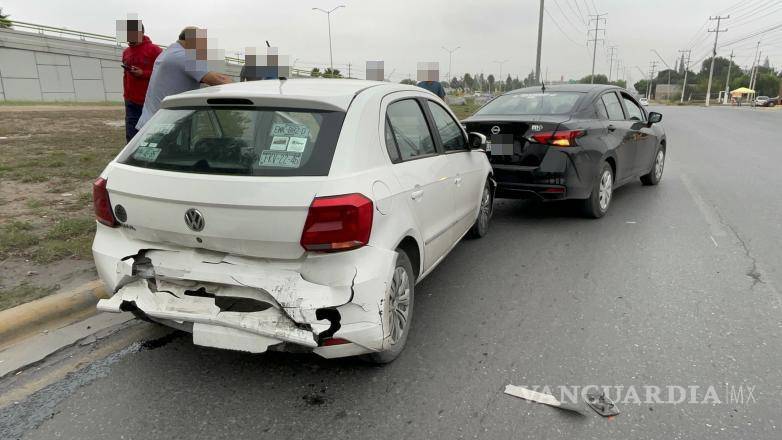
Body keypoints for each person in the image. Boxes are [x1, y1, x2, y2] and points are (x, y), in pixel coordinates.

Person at [136, 26, 232, 130]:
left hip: (152, 121)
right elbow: (218, 80)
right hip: (164, 126)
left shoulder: (169, 52)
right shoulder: (184, 56)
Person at [121, 20, 161, 142]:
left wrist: (143, 73)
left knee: (151, 135)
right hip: (130, 101)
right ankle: (131, 159)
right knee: (131, 135)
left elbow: (161, 74)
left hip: (148, 102)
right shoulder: (126, 52)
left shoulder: (155, 51)